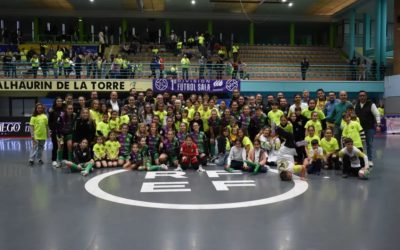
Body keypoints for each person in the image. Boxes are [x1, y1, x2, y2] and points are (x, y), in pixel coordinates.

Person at [354, 91, 381, 167]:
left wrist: (378, 124)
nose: (362, 97)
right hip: (359, 129)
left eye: (363, 95)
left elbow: (377, 114)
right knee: (359, 144)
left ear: (366, 96)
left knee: (369, 144)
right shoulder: (356, 105)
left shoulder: (371, 104)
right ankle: (360, 159)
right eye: (360, 96)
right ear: (358, 97)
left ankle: (370, 160)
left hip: (369, 128)